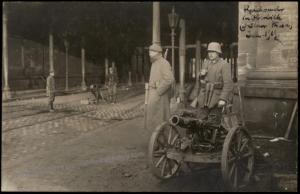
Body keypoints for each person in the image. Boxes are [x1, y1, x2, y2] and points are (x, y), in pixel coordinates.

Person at [181, 42, 234, 150]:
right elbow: (201, 82)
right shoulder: (206, 63)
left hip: (217, 97)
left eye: (213, 52)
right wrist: (201, 75)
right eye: (209, 52)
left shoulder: (224, 65)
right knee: (199, 120)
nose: (211, 54)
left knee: (213, 122)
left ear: (218, 53)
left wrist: (223, 99)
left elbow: (228, 84)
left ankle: (211, 142)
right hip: (205, 97)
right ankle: (197, 140)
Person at [146, 44, 175, 133]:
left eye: (152, 51)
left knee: (161, 118)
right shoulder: (155, 62)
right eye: (150, 51)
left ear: (158, 53)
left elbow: (169, 79)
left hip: (160, 96)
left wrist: (158, 91)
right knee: (154, 118)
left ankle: (163, 141)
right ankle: (156, 141)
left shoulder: (164, 63)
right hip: (155, 94)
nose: (149, 53)